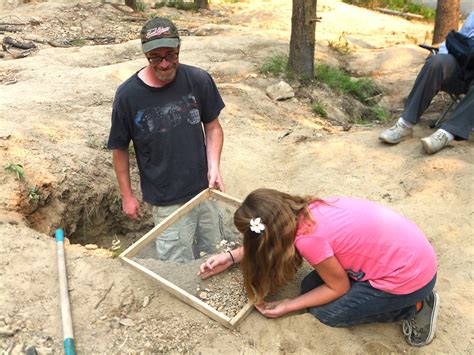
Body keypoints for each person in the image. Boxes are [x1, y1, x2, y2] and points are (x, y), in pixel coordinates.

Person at [198, 188, 439, 347]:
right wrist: (231, 256)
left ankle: (416, 307)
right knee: (309, 287)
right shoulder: (304, 211)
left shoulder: (310, 240)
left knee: (326, 313)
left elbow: (339, 287)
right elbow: (271, 241)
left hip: (409, 280)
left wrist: (287, 306)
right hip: (408, 257)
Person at [107, 17, 226, 262]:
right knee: (176, 264)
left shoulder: (198, 80)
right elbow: (119, 147)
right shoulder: (128, 96)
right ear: (145, 54)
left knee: (218, 250)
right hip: (165, 197)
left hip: (204, 189)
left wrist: (214, 167)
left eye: (171, 55)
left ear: (179, 49)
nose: (164, 64)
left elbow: (213, 126)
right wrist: (127, 196)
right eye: (156, 58)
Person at [379, 11, 474, 154]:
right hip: (464, 66)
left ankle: (447, 133)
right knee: (437, 62)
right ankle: (405, 124)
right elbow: (462, 39)